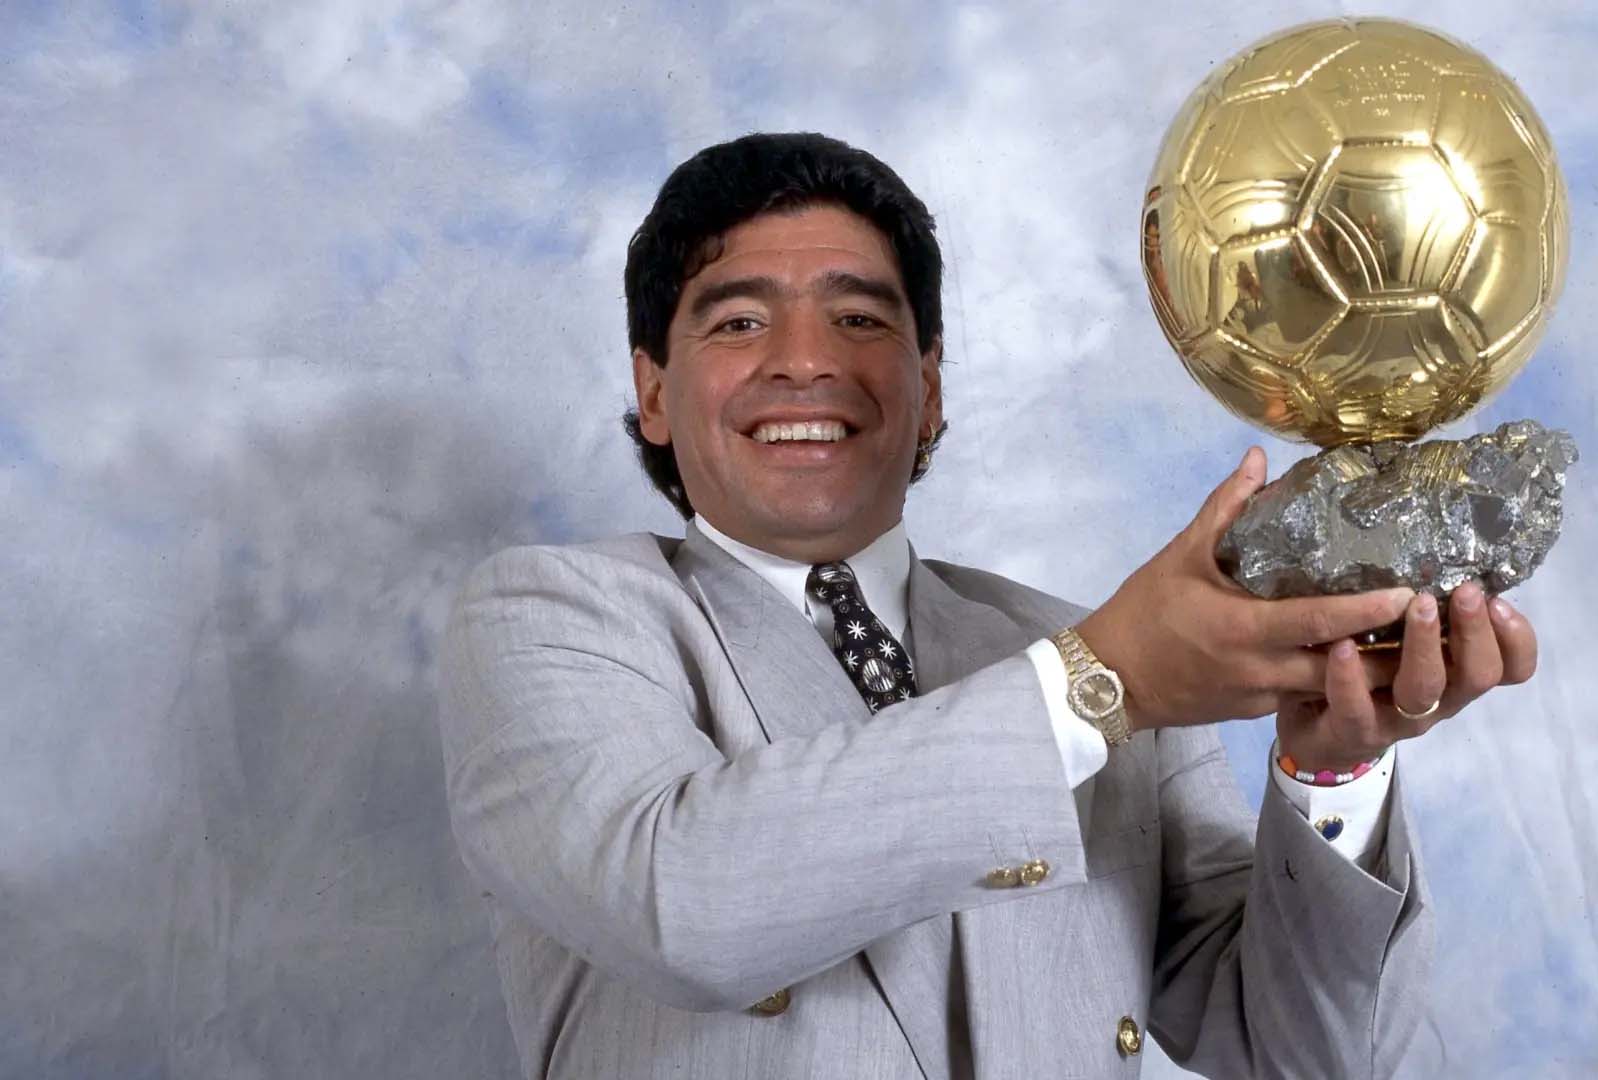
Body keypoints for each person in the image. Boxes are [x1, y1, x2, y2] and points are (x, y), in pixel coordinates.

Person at [436, 132, 1538, 1080]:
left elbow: (1311, 1053)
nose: (806, 362)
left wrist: (1332, 767)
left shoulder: (1081, 641)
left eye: (859, 318)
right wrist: (1102, 683)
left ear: (930, 390)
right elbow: (681, 903)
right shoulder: (549, 619)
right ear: (652, 393)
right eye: (737, 324)